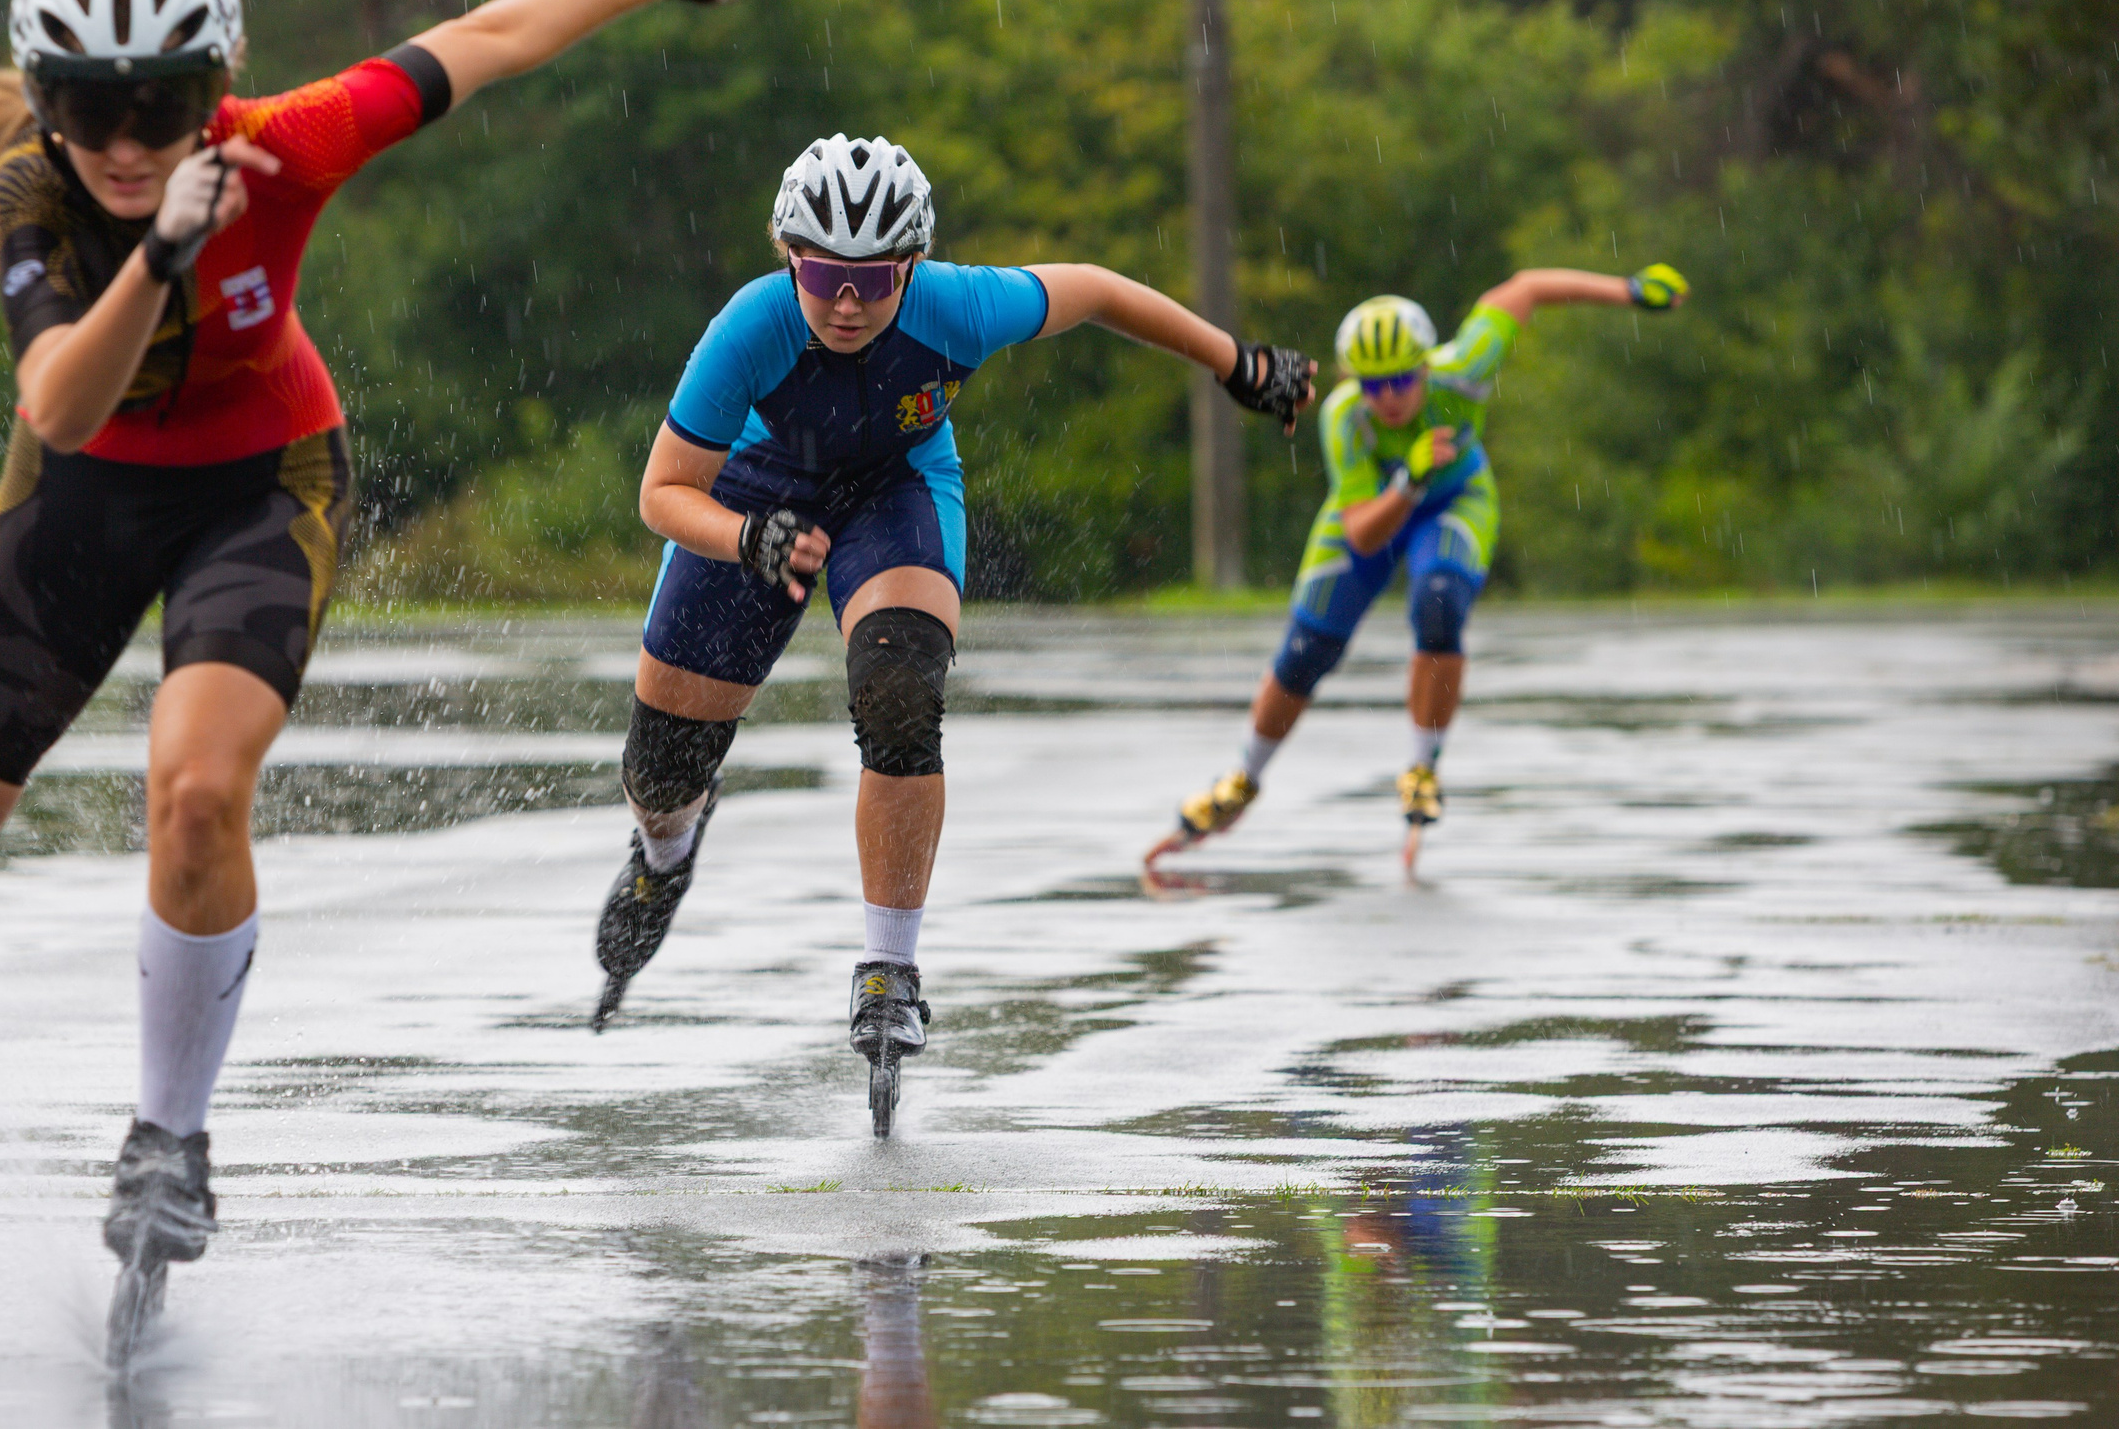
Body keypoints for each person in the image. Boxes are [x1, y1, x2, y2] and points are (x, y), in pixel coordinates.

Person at [0, 0, 771, 1283]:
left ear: (219, 80)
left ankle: (168, 1139)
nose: (124, 144)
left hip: (262, 485)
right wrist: (162, 251)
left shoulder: (284, 142)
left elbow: (481, 41)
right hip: (78, 494)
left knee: (192, 796)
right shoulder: (30, 192)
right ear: (40, 101)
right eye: (84, 109)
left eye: (163, 106)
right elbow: (60, 403)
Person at [588, 133, 1317, 1132]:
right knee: (663, 775)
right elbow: (662, 493)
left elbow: (1099, 290)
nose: (847, 302)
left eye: (875, 280)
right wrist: (747, 537)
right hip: (753, 495)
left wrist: (1238, 363)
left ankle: (890, 965)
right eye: (824, 275)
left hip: (895, 488)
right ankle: (664, 853)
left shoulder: (960, 306)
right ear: (787, 258)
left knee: (898, 691)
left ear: (912, 268)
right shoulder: (749, 328)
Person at [1150, 263, 1689, 877]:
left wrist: (1628, 292)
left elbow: (1527, 288)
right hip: (1378, 509)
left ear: (1426, 366)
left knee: (1438, 605)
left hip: (1454, 500)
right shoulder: (1345, 416)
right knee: (1306, 652)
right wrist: (1408, 479)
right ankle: (1243, 780)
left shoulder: (1466, 368)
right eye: (1374, 384)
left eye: (1402, 379)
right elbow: (1361, 533)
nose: (1389, 397)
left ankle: (1421, 768)